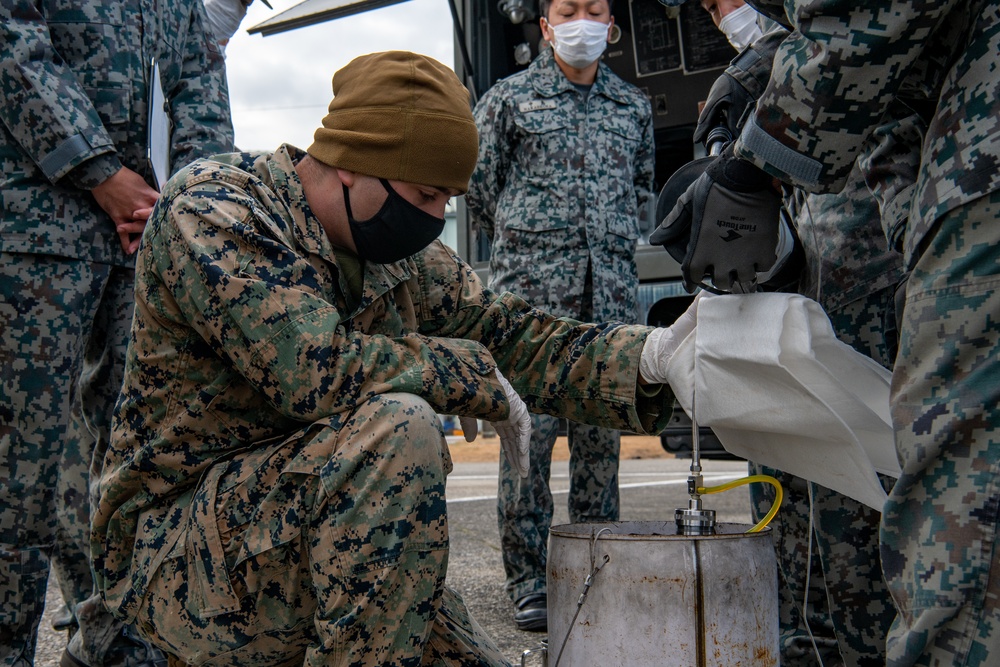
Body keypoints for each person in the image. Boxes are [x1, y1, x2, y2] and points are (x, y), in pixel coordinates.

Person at [88, 50, 697, 665]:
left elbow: (508, 335)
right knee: (400, 430)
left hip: (298, 528)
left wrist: (654, 359)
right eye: (426, 194)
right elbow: (312, 370)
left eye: (446, 202)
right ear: (355, 162)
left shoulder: (394, 255)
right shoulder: (214, 210)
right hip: (176, 559)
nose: (433, 220)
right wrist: (465, 374)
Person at [653, 1, 1000, 665]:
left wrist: (755, 164)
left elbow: (871, 13)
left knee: (959, 511)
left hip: (977, 156)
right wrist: (761, 76)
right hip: (945, 157)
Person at [0, 1, 236, 665]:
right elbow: (14, 47)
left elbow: (198, 81)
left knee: (142, 448)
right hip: (34, 224)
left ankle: (114, 634)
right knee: (19, 464)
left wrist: (189, 200)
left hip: (146, 235)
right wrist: (100, 171)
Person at [681, 2, 909, 664]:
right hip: (805, 266)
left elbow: (862, 31)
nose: (722, 11)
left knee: (869, 474)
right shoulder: (766, 54)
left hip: (873, 251)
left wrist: (751, 156)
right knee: (786, 467)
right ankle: (800, 643)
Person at [465, 0, 655, 632]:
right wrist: (533, 248)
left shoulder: (632, 106)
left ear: (612, 23)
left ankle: (598, 570)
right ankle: (529, 579)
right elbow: (481, 191)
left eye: (594, 8)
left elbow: (643, 192)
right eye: (569, 9)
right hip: (532, 307)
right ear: (545, 25)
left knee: (601, 446)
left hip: (609, 306)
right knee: (528, 444)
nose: (583, 20)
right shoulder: (507, 100)